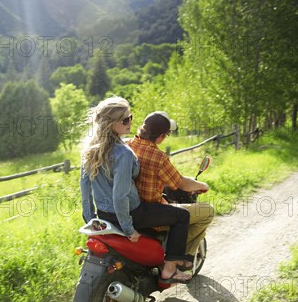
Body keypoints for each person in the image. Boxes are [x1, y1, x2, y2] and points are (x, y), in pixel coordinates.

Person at [79, 97, 192, 283]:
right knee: (182, 217)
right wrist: (129, 229)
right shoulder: (123, 153)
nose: (130, 122)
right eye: (125, 120)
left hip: (104, 215)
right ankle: (170, 270)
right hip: (132, 212)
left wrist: (91, 220)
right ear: (110, 124)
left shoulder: (89, 150)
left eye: (130, 117)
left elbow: (85, 190)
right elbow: (120, 195)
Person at [127, 111, 214, 268]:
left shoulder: (127, 145)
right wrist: (202, 186)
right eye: (166, 134)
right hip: (151, 212)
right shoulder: (158, 157)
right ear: (161, 136)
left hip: (129, 208)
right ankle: (181, 257)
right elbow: (181, 183)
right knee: (207, 211)